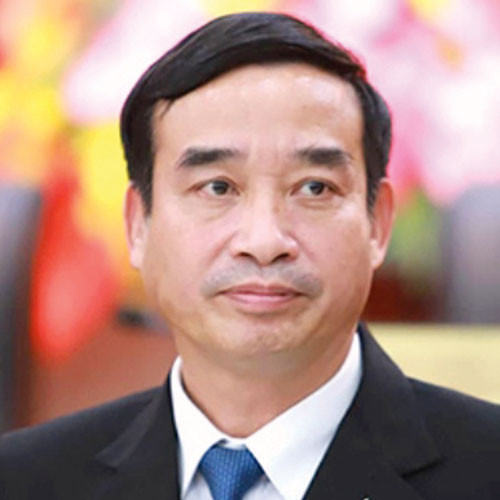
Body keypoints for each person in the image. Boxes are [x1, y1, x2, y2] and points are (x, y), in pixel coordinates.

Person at [1, 11, 500, 500]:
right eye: (217, 187)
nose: (264, 241)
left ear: (378, 222)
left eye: (314, 188)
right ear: (138, 224)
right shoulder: (24, 480)